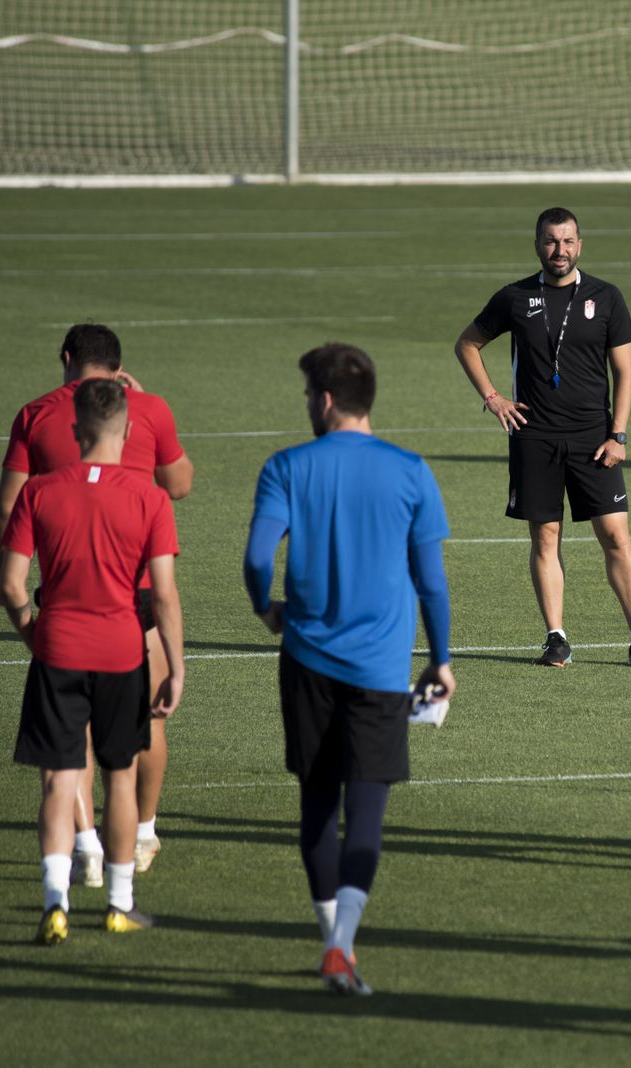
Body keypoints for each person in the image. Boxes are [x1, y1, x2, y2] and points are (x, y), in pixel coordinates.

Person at [244, 342, 454, 996]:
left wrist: (267, 609)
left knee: (316, 806)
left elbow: (255, 557)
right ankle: (342, 948)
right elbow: (432, 582)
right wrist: (442, 660)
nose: (307, 404)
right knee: (366, 810)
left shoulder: (286, 466)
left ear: (326, 401)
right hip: (383, 670)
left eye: (309, 395)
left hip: (306, 659)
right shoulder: (412, 471)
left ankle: (331, 944)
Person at [0, 324, 192, 885]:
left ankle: (84, 849)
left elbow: (8, 506)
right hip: (137, 596)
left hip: (64, 594)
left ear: (66, 359)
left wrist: (14, 592)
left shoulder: (34, 414)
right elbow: (179, 484)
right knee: (145, 725)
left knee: (67, 741)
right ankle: (143, 835)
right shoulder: (147, 409)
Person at [453, 206, 631, 668]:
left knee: (615, 536)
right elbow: (467, 344)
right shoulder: (515, 297)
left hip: (594, 439)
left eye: (567, 241)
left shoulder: (606, 297)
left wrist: (619, 435)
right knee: (545, 539)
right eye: (551, 241)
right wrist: (493, 398)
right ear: (537, 246)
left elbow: (624, 373)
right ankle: (555, 637)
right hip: (534, 438)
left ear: (580, 245)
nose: (559, 250)